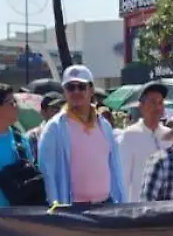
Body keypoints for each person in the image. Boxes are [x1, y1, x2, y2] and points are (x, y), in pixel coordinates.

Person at [38, 65, 125, 205]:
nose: (76, 91)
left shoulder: (104, 126)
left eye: (81, 86)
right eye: (70, 87)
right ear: (64, 92)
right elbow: (47, 174)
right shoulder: (54, 128)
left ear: (91, 90)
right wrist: (56, 209)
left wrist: (121, 202)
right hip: (73, 211)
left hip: (107, 205)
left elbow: (116, 169)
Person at [119, 82, 173, 202]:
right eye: (153, 102)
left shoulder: (170, 136)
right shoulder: (130, 135)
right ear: (141, 106)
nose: (157, 107)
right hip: (139, 210)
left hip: (167, 208)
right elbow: (123, 179)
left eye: (160, 103)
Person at [27, 93, 62, 165]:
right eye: (55, 110)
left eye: (63, 109)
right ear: (43, 112)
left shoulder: (73, 135)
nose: (60, 114)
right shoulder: (33, 137)